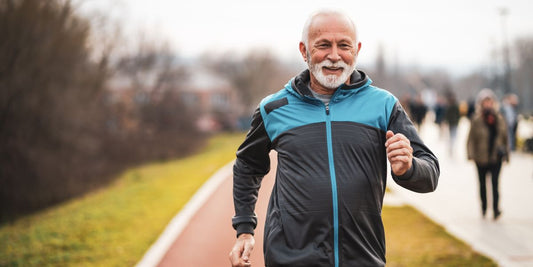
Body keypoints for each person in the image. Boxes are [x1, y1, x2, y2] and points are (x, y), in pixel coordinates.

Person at [229, 10, 440, 267]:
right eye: (323, 45)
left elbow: (430, 174)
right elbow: (247, 166)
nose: (334, 55)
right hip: (289, 259)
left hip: (363, 258)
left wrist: (408, 167)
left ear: (357, 50)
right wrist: (244, 229)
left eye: (344, 45)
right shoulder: (273, 108)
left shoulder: (383, 105)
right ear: (304, 50)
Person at [467, 89, 509, 220]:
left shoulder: (500, 119)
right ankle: (484, 207)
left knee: (495, 183)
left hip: (496, 157)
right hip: (481, 157)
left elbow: (505, 138)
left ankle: (496, 209)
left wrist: (507, 154)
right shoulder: (476, 120)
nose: (488, 105)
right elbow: (471, 139)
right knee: (482, 184)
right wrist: (470, 154)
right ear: (481, 104)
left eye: (490, 102)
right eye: (485, 102)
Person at [444, 92, 460, 156]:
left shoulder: (453, 106)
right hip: (452, 123)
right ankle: (451, 148)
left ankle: (452, 148)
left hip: (454, 123)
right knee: (452, 136)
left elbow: (458, 114)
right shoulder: (450, 106)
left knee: (453, 136)